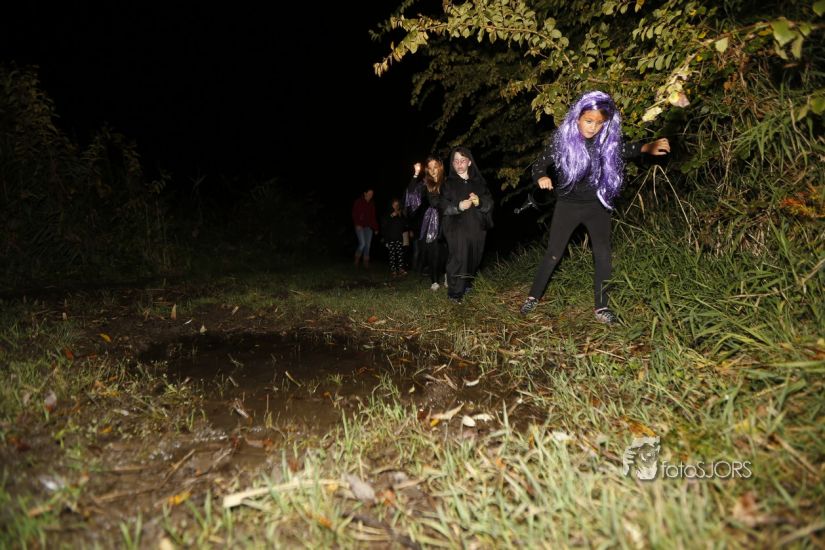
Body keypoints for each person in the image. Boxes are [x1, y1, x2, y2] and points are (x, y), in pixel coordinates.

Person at [519, 90, 671, 323]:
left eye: (599, 123)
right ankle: (533, 297)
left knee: (603, 253)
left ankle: (602, 307)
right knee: (553, 253)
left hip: (597, 206)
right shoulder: (562, 144)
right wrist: (541, 176)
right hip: (568, 205)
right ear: (577, 118)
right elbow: (539, 165)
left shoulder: (605, 143)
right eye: (589, 121)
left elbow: (625, 150)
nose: (593, 127)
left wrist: (646, 147)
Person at [433, 146, 494, 303]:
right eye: (456, 161)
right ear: (452, 164)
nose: (459, 164)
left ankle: (466, 284)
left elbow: (489, 203)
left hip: (476, 227)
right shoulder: (448, 184)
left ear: (469, 162)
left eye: (463, 160)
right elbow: (442, 205)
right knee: (458, 257)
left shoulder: (479, 183)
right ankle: (455, 293)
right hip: (455, 227)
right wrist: (458, 206)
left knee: (474, 257)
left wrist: (479, 202)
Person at [419, 156, 448, 290]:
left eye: (435, 166)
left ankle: (448, 275)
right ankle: (434, 281)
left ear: (440, 166)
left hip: (447, 218)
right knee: (433, 250)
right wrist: (415, 175)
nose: (433, 170)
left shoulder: (447, 182)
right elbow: (412, 195)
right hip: (433, 220)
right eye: (430, 168)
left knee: (447, 250)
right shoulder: (426, 183)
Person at [404, 162, 426, 273]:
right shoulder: (413, 204)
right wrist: (416, 173)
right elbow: (411, 188)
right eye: (424, 180)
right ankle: (414, 270)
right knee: (417, 251)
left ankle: (420, 270)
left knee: (424, 251)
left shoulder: (426, 197)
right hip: (416, 231)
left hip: (426, 229)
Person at [352, 188, 378, 269]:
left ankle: (365, 262)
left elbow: (373, 217)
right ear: (365, 193)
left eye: (372, 194)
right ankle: (356, 260)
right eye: (369, 193)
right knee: (362, 243)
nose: (371, 195)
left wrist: (376, 228)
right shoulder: (358, 201)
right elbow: (354, 213)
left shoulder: (372, 204)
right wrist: (357, 224)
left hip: (368, 227)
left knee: (368, 245)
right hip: (359, 226)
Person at [381, 197, 408, 277]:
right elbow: (384, 224)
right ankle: (393, 271)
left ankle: (401, 269)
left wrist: (401, 215)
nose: (396, 206)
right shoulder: (388, 213)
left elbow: (404, 225)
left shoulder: (400, 214)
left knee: (400, 254)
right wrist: (391, 215)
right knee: (392, 255)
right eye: (394, 204)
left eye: (397, 204)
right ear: (391, 205)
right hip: (391, 238)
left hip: (399, 237)